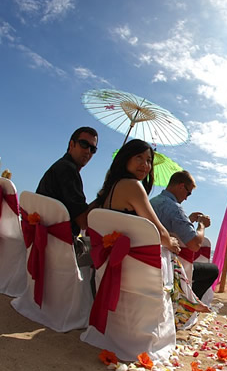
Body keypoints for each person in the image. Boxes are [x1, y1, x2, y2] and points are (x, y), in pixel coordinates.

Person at [94, 139, 208, 316]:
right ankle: (188, 301)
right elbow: (159, 230)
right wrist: (172, 241)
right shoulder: (133, 186)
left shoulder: (107, 189)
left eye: (148, 160)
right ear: (126, 158)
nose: (145, 165)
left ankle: (190, 299)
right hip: (134, 260)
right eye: (139, 158)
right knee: (172, 254)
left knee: (171, 252)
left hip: (109, 255)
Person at [150, 170, 219, 300]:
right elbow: (194, 244)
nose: (187, 197)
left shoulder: (153, 202)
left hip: (150, 258)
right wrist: (202, 225)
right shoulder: (175, 208)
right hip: (170, 265)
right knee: (212, 270)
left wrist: (188, 220)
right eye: (188, 193)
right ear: (181, 186)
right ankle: (188, 304)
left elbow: (167, 225)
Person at [36, 126, 98, 267]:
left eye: (93, 149)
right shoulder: (68, 171)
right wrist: (103, 195)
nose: (88, 151)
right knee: (100, 254)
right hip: (59, 245)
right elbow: (84, 222)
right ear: (72, 144)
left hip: (42, 238)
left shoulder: (60, 166)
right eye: (84, 144)